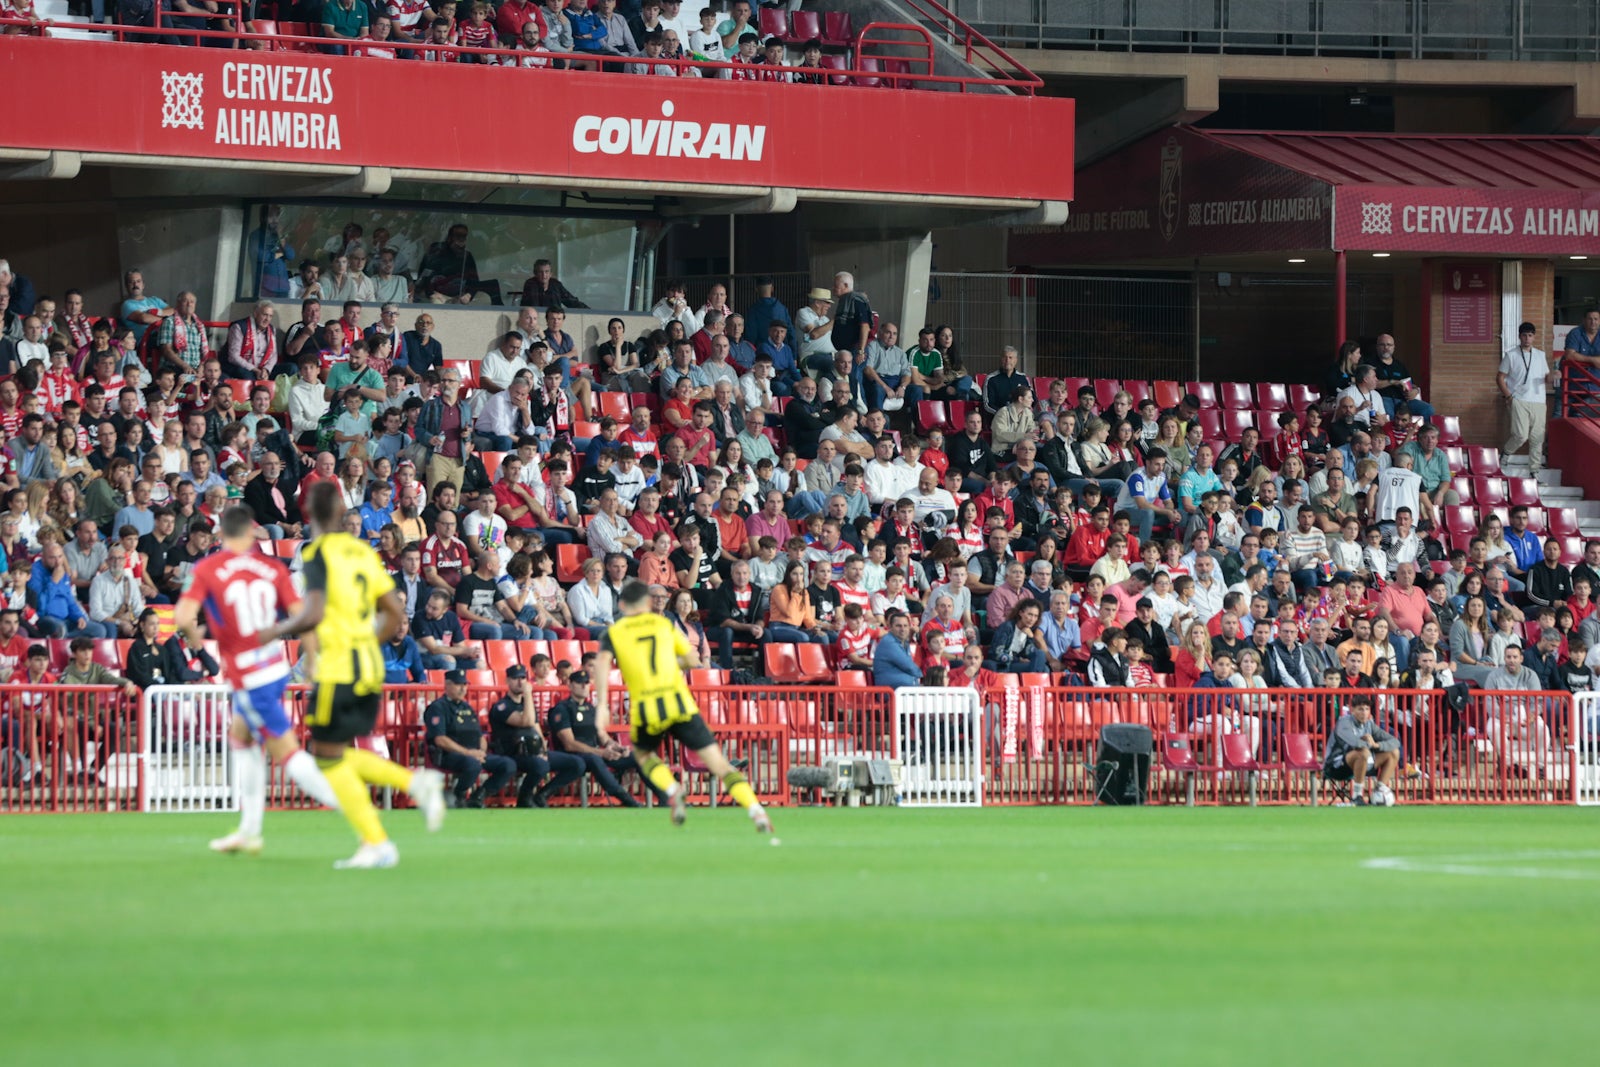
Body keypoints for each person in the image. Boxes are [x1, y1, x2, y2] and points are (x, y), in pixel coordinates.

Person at [257, 481, 447, 869]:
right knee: (334, 755)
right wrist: (362, 642)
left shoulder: (318, 553)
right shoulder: (362, 553)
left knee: (326, 759)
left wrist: (273, 631)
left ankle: (387, 825)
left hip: (339, 667)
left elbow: (312, 611)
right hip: (368, 666)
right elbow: (394, 614)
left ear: (309, 512)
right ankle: (390, 818)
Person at [173, 505, 342, 854]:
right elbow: (303, 617)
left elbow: (182, 615)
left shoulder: (209, 567)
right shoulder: (271, 568)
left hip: (249, 675)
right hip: (273, 667)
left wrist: (193, 637)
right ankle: (249, 831)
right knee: (241, 739)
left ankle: (357, 811)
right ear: (251, 535)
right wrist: (311, 664)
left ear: (221, 534)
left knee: (287, 753)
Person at [593, 580, 774, 833]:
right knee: (719, 763)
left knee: (644, 757)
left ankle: (671, 789)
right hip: (679, 703)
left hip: (647, 707)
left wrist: (602, 705)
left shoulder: (614, 633)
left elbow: (601, 665)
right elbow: (693, 659)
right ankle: (757, 811)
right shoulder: (663, 626)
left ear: (622, 605)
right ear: (647, 603)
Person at [488, 664, 587, 808]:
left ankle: (543, 794)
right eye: (515, 678)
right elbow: (526, 721)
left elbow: (535, 726)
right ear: (507, 681)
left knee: (577, 764)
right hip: (512, 752)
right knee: (540, 765)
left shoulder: (526, 704)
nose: (520, 682)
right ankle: (525, 799)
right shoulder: (502, 706)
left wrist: (542, 750)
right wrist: (528, 694)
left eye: (523, 678)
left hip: (532, 752)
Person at [424, 670, 515, 809]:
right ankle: (459, 795)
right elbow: (440, 739)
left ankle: (479, 796)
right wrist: (468, 753)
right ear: (447, 685)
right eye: (458, 685)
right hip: (448, 755)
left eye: (465, 685)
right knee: (472, 764)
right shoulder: (438, 708)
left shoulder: (467, 707)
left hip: (474, 754)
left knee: (508, 765)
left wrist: (481, 752)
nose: (463, 689)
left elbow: (480, 736)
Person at [1322, 694, 1401, 805]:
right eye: (1360, 709)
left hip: (1363, 762)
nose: (1364, 712)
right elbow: (1355, 743)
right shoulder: (1343, 723)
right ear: (1352, 710)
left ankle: (1379, 792)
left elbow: (1395, 741)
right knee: (1363, 752)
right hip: (1336, 766)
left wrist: (1376, 745)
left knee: (1394, 752)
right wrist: (1368, 744)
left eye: (1366, 709)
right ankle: (1357, 796)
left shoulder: (1370, 724)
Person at [1498, 321, 1550, 471]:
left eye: (1530, 335)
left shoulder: (1540, 355)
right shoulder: (1511, 354)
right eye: (1524, 335)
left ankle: (1534, 472)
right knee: (1520, 435)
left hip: (1539, 401)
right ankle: (1506, 454)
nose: (1527, 338)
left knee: (1537, 438)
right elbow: (1500, 377)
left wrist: (1553, 376)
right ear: (1519, 337)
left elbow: (1546, 377)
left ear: (1534, 337)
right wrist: (1509, 397)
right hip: (1519, 399)